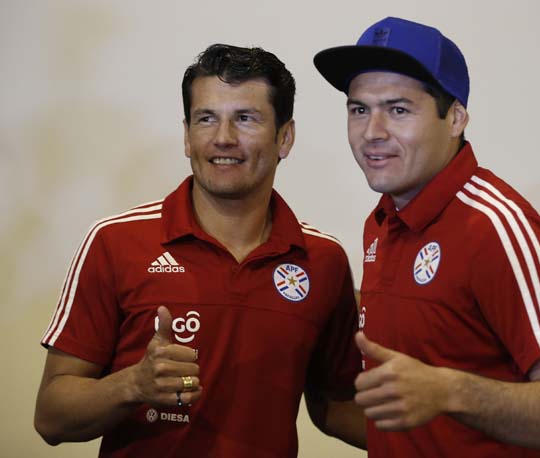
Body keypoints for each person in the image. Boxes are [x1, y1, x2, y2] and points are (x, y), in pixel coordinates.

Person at [35, 44, 365, 457]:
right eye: (206, 119)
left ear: (285, 136)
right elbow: (50, 417)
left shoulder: (324, 259)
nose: (223, 138)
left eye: (245, 119)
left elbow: (333, 407)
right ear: (187, 137)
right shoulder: (115, 241)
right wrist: (133, 384)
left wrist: (450, 425)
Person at [314, 16, 540, 457]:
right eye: (359, 109)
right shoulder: (383, 220)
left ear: (456, 118)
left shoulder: (498, 227)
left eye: (398, 109)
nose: (372, 132)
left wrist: (449, 390)